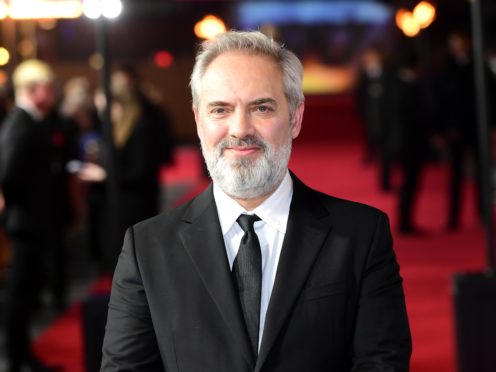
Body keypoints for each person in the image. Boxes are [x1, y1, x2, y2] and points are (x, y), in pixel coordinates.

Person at [101, 31, 411, 371]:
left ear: (295, 118)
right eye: (220, 109)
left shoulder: (361, 236)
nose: (239, 129)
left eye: (261, 107)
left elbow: (382, 363)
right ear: (198, 120)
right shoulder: (146, 248)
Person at [0, 59, 75, 372]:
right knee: (20, 295)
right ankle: (17, 358)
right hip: (25, 223)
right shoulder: (22, 122)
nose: (53, 91)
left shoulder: (29, 120)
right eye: (47, 86)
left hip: (29, 221)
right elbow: (7, 174)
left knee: (26, 293)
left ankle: (22, 356)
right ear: (32, 89)